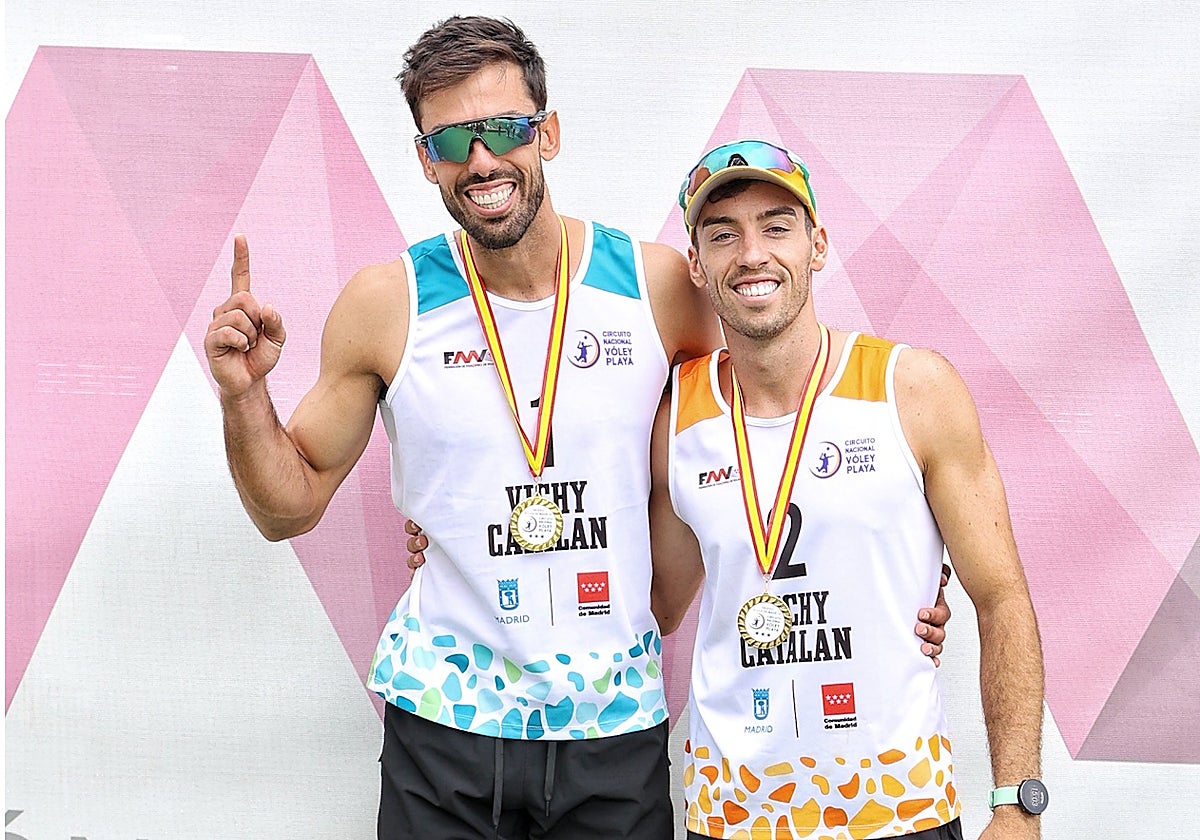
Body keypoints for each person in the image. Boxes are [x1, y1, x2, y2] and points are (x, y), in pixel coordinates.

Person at [204, 15, 949, 839]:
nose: (481, 160)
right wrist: (244, 397)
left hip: (614, 729)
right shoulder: (389, 304)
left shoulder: (656, 288)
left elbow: (763, 440)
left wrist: (895, 588)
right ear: (425, 159)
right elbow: (288, 508)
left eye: (504, 130)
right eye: (451, 141)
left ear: (547, 134)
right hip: (444, 723)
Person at [648, 140, 1046, 839]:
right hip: (735, 815)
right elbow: (657, 602)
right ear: (698, 266)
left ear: (818, 246)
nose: (752, 254)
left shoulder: (911, 388)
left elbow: (1001, 595)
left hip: (898, 810)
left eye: (776, 227)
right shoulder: (678, 414)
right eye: (723, 234)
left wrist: (1017, 803)